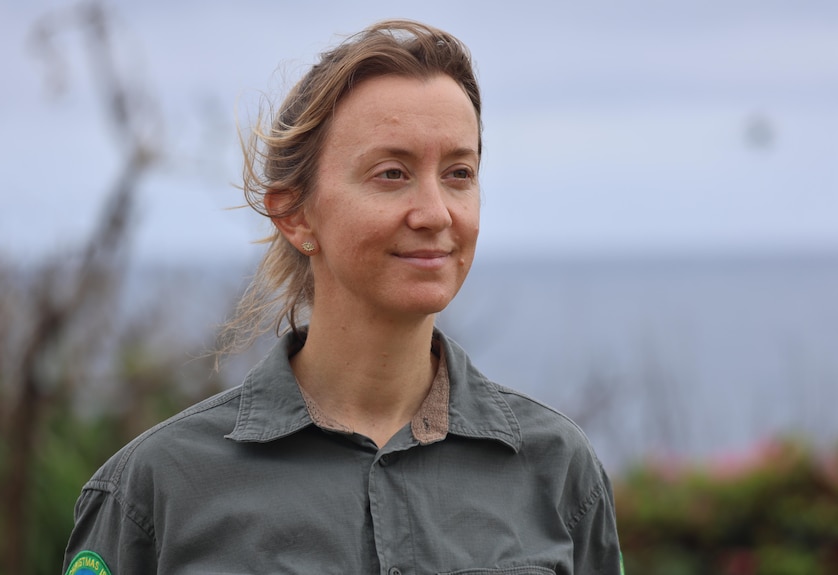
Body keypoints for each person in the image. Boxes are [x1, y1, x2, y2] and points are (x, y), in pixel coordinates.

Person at [63, 19, 623, 575]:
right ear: (295, 214)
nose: (435, 213)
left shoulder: (558, 470)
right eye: (391, 173)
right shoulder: (153, 491)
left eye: (459, 173)